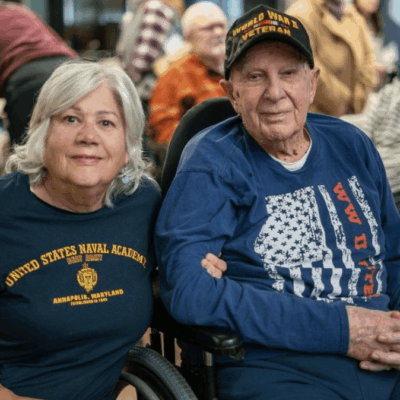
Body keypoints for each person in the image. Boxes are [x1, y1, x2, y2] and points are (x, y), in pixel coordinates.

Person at [155, 4, 400, 400]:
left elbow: (393, 257)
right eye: (255, 77)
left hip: (386, 352)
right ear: (231, 93)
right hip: (284, 368)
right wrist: (343, 329)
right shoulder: (212, 162)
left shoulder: (352, 145)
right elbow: (190, 290)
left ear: (312, 83)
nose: (275, 92)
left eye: (288, 73)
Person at [0, 59, 161, 400]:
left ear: (127, 144)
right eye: (70, 119)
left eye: (106, 122)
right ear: (42, 132)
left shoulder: (144, 203)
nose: (88, 137)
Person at [148, 1, 228, 144]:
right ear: (188, 37)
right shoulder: (174, 76)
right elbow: (164, 131)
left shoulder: (239, 69)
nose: (218, 33)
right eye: (208, 28)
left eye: (221, 26)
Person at [0, 1, 78, 146]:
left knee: (25, 154)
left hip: (30, 77)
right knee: (73, 143)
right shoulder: (20, 11)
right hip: (73, 69)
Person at [285, 0, 376, 117]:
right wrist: (341, 102)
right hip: (315, 117)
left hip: (353, 116)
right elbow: (305, 66)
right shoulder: (299, 14)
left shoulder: (354, 16)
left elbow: (369, 60)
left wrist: (358, 99)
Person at [116, 0, 185, 111]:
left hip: (140, 93)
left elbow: (137, 59)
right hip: (148, 94)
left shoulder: (149, 8)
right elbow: (141, 59)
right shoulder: (155, 8)